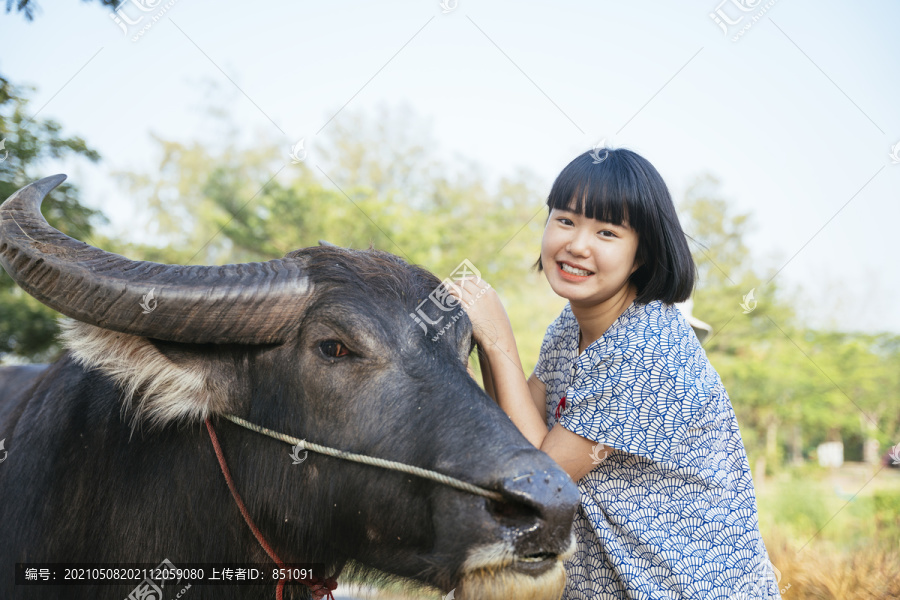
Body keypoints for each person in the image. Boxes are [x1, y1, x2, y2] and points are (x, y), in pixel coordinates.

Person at [453, 148, 780, 599]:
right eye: (565, 220)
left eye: (606, 232)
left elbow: (539, 475)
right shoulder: (571, 326)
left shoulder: (649, 352)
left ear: (642, 254)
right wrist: (469, 353)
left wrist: (498, 337)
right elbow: (516, 429)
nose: (577, 244)